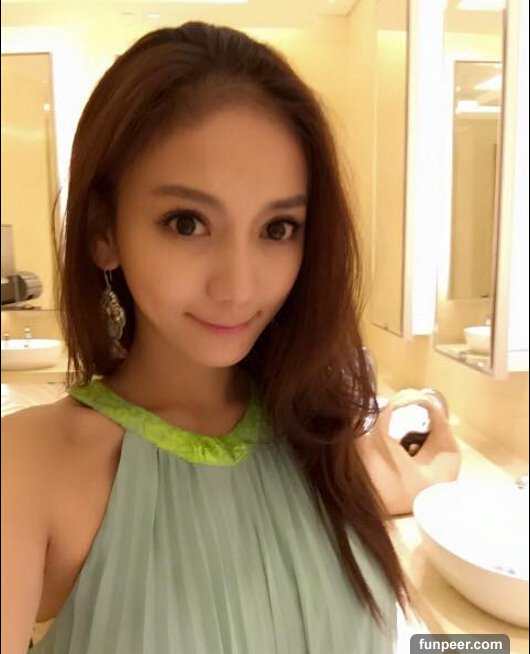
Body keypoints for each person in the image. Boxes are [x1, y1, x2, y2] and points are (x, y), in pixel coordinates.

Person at [2, 22, 416, 654]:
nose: (239, 286)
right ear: (104, 231)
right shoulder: (27, 469)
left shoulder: (321, 442)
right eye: (187, 222)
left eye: (277, 228)